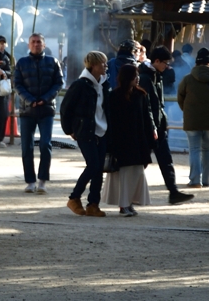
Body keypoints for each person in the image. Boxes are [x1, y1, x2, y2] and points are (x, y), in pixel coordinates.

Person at [138, 47, 194, 205]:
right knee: (142, 161)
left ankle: (173, 191)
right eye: (165, 63)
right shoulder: (146, 78)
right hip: (151, 127)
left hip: (158, 125)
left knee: (164, 160)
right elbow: (147, 105)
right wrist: (153, 126)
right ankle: (129, 191)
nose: (167, 66)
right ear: (156, 61)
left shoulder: (156, 76)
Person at [60, 51, 110, 217]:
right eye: (102, 63)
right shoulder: (80, 85)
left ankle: (93, 204)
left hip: (102, 131)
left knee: (99, 169)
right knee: (93, 165)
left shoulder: (104, 84)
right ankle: (74, 198)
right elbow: (66, 108)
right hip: (85, 131)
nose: (105, 66)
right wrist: (70, 130)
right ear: (93, 65)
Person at [13, 33, 64, 194]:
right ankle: (30, 181)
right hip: (27, 110)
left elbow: (59, 83)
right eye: (33, 42)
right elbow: (17, 85)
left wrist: (45, 99)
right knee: (26, 147)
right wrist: (29, 100)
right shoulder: (21, 63)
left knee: (45, 144)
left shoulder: (52, 62)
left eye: (39, 42)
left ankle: (42, 180)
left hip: (46, 109)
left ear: (44, 44)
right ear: (29, 45)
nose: (36, 44)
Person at [104, 64, 156, 216]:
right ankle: (124, 204)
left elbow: (146, 117)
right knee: (124, 174)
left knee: (136, 172)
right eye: (134, 76)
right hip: (122, 141)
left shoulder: (140, 95)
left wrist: (151, 134)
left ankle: (130, 202)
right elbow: (112, 121)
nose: (137, 79)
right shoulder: (114, 96)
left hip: (138, 139)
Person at [177, 47, 209, 188]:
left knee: (195, 149)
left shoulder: (187, 79)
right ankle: (207, 180)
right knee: (207, 150)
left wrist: (188, 111)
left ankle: (195, 180)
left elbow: (180, 97)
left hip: (192, 119)